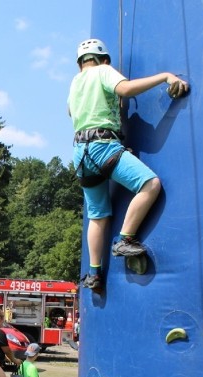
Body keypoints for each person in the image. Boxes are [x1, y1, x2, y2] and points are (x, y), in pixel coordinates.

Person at [68, 38, 189, 292]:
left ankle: (94, 274)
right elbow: (125, 89)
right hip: (103, 146)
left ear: (80, 64)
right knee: (150, 184)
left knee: (97, 216)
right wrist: (165, 76)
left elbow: (72, 112)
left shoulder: (75, 83)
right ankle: (126, 238)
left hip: (80, 155)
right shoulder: (103, 71)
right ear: (103, 60)